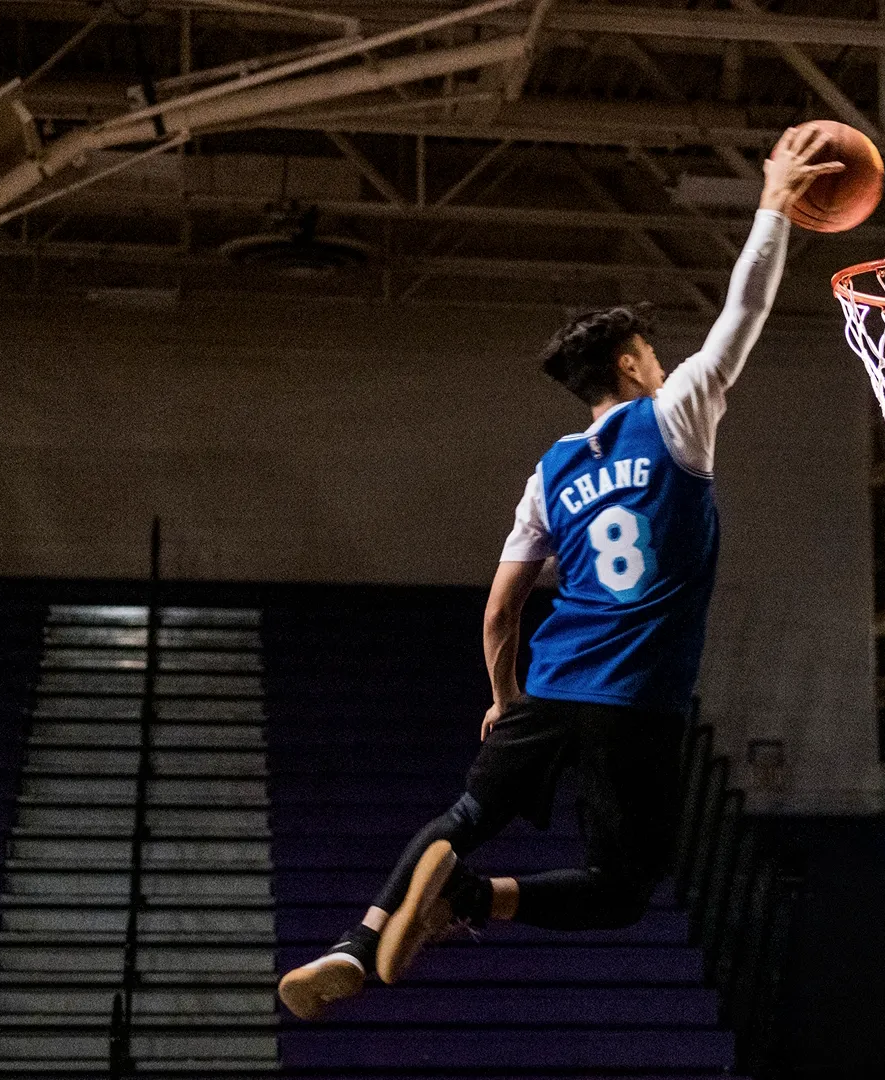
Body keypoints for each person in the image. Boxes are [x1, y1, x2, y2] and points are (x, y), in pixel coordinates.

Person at [276, 125, 842, 1020]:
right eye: (653, 353)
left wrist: (505, 698)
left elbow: (502, 611)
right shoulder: (678, 418)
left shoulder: (551, 470)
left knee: (466, 814)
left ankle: (360, 936)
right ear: (631, 362)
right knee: (621, 891)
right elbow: (743, 314)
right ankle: (469, 900)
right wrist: (773, 206)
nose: (664, 362)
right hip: (636, 698)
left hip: (551, 680)